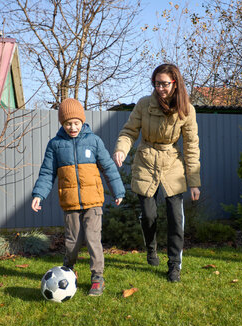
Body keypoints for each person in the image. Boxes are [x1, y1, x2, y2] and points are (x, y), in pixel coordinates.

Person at [113, 63, 201, 282]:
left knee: (175, 218)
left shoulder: (187, 110)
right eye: (156, 83)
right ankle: (151, 248)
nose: (160, 88)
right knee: (149, 215)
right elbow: (129, 131)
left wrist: (194, 182)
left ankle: (174, 265)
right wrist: (121, 149)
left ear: (175, 83)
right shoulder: (144, 104)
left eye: (164, 84)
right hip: (146, 160)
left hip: (172, 162)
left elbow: (191, 146)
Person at [31, 98, 125, 296]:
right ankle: (68, 271)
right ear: (62, 123)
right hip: (70, 202)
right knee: (72, 242)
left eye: (76, 123)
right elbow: (47, 173)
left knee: (93, 239)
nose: (72, 127)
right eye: (67, 123)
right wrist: (39, 194)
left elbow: (108, 167)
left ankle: (97, 277)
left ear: (82, 121)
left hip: (93, 202)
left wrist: (118, 191)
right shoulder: (55, 145)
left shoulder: (94, 141)